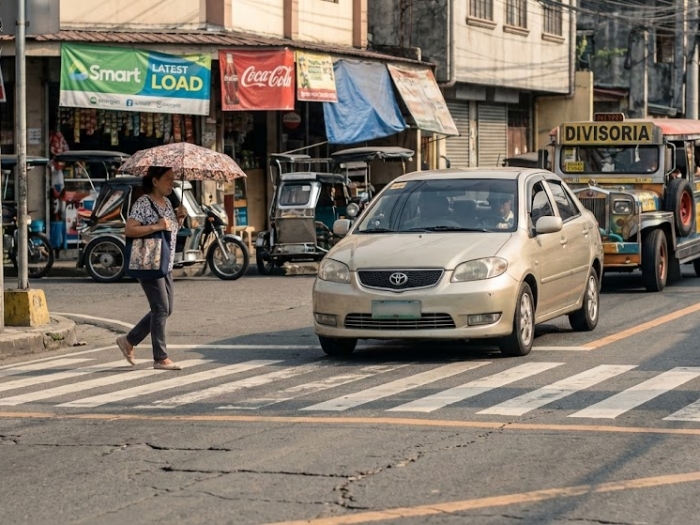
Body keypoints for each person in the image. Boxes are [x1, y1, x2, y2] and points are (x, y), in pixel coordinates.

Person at [116, 166, 187, 371]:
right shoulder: (143, 203)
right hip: (149, 262)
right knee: (161, 308)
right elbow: (129, 229)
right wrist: (156, 226)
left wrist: (179, 218)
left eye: (173, 179)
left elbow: (170, 230)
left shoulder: (167, 203)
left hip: (165, 262)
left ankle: (129, 340)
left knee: (167, 309)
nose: (171, 183)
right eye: (167, 179)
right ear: (155, 181)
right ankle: (160, 357)